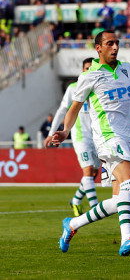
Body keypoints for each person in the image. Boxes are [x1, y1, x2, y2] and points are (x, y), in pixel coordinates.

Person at [52, 30, 130, 256]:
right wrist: (65, 130)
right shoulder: (89, 76)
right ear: (98, 48)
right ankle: (127, 238)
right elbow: (74, 108)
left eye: (117, 43)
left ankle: (72, 224)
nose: (115, 47)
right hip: (107, 138)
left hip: (126, 138)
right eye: (110, 43)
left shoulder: (129, 69)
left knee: (118, 200)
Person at [44, 58, 101, 217]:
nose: (88, 71)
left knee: (94, 173)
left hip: (97, 137)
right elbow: (62, 110)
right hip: (80, 135)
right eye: (86, 68)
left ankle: (76, 200)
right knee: (88, 170)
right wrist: (51, 133)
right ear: (82, 70)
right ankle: (95, 208)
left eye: (92, 68)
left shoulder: (99, 88)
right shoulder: (73, 88)